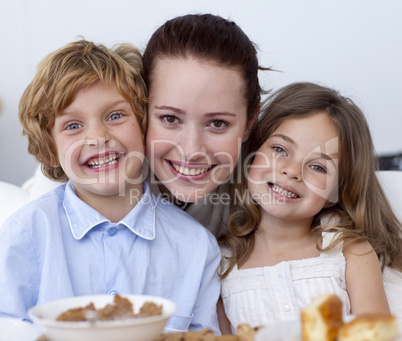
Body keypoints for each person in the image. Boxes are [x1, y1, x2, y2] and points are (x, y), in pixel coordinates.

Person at [0, 39, 221, 334]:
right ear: (50, 150)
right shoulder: (22, 236)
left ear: (144, 126)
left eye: (115, 116)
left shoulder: (196, 247)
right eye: (73, 125)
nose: (98, 137)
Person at [217, 82, 402, 333]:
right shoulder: (220, 262)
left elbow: (376, 336)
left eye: (318, 167)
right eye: (280, 149)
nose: (292, 171)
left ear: (336, 192)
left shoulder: (350, 253)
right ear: (253, 151)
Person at [143, 13, 269, 238]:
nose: (191, 151)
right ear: (140, 109)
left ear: (249, 122)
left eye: (218, 123)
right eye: (170, 119)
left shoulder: (267, 200)